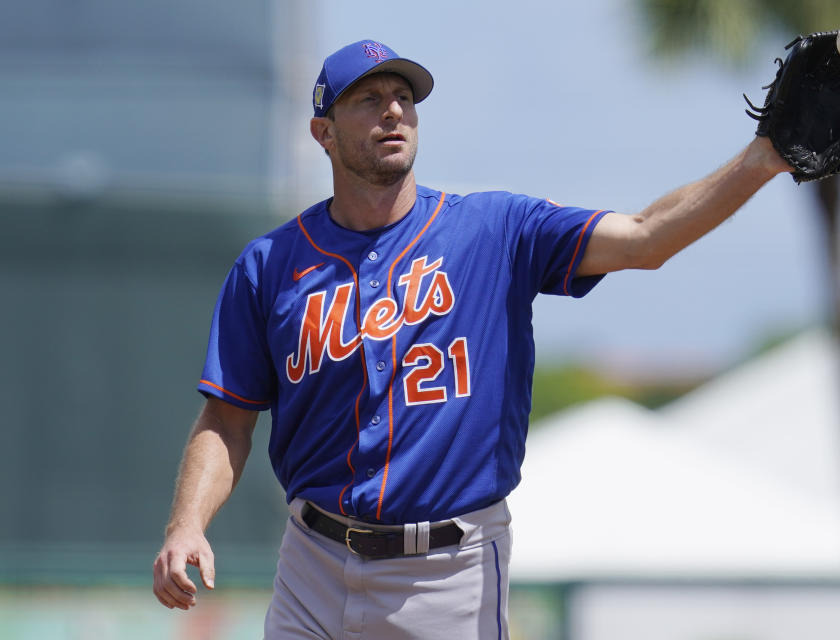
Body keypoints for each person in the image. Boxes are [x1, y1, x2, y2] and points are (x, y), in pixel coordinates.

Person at [152, 39, 791, 638]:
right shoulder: (269, 264)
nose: (394, 110)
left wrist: (760, 160)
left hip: (448, 575)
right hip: (312, 564)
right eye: (368, 99)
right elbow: (227, 416)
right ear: (323, 132)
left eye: (404, 97)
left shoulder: (494, 230)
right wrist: (187, 525)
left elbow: (647, 238)